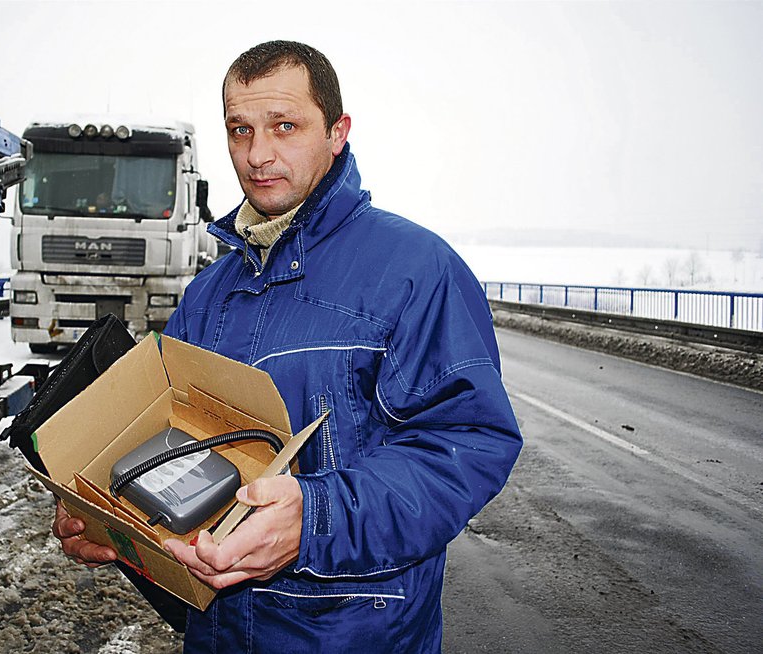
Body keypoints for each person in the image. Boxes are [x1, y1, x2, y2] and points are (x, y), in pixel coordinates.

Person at [53, 40, 523, 652]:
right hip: (218, 635)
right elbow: (181, 451)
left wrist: (315, 517)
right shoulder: (208, 293)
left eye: (285, 126)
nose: (258, 154)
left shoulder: (417, 269)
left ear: (337, 132)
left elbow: (469, 443)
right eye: (239, 130)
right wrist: (120, 525)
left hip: (354, 634)